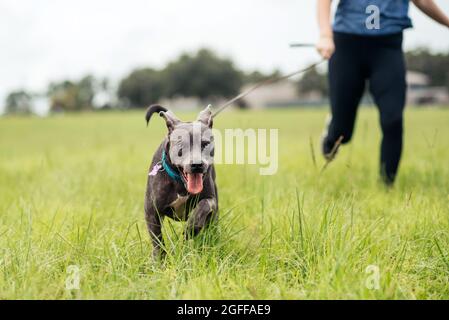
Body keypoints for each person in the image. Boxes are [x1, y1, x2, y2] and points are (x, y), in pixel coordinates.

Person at [316, 0, 449, 185]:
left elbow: (423, 1)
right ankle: (332, 134)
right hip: (346, 44)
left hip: (388, 46)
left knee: (393, 118)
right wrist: (325, 35)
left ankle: (387, 185)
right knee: (342, 132)